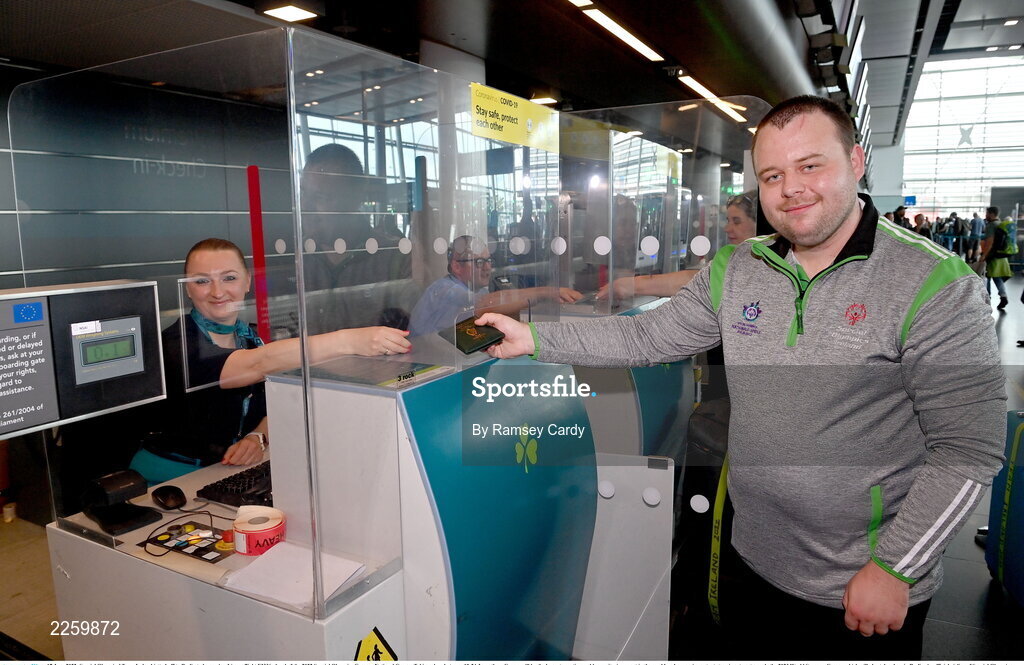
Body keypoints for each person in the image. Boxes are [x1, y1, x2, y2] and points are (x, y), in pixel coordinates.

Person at [474, 95, 1006, 660]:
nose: (791, 189)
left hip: (861, 584)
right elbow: (648, 337)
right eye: (773, 176)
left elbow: (968, 450)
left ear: (855, 161)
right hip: (752, 559)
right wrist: (536, 338)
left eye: (810, 166)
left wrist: (895, 569)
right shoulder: (740, 266)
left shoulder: (934, 283)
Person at [130, 238, 411, 484]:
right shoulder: (177, 343)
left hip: (225, 472)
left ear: (247, 282)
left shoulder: (251, 337)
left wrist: (258, 436)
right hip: (168, 476)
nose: (217, 291)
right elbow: (253, 365)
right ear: (187, 289)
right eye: (202, 281)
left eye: (229, 278)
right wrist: (347, 341)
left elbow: (278, 400)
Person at [595, 191, 758, 302]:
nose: (727, 228)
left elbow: (697, 281)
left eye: (737, 222)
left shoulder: (758, 266)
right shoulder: (735, 259)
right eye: (728, 221)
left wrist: (629, 285)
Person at [407, 235, 581, 337]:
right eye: (479, 262)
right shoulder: (445, 290)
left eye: (489, 260)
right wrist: (546, 292)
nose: (487, 267)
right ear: (457, 266)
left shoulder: (478, 287)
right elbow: (486, 303)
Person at [981, 206, 1011, 310]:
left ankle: (987, 298)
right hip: (1001, 255)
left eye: (987, 213)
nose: (986, 215)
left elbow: (989, 242)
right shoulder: (1001, 224)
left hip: (992, 256)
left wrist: (984, 255)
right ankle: (1003, 296)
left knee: (987, 277)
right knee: (997, 278)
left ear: (992, 214)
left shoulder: (991, 225)